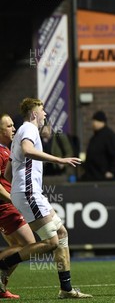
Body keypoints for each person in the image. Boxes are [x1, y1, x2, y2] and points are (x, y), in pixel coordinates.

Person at [0, 98, 91, 298]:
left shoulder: (20, 133)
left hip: (28, 192)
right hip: (29, 192)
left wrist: (21, 181)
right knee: (51, 242)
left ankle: (66, 289)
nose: (45, 116)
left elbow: (8, 173)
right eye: (43, 112)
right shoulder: (29, 129)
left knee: (62, 234)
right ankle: (3, 264)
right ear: (34, 114)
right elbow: (27, 150)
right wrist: (60, 159)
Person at [0, 114, 37, 299]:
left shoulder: (6, 150)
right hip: (6, 207)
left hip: (6, 206)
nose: (13, 128)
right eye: (9, 126)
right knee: (29, 245)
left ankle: (0, 286)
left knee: (16, 246)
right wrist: (12, 199)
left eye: (13, 125)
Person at [83, 110, 115, 180]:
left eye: (95, 121)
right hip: (93, 175)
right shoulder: (95, 137)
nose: (93, 124)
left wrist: (111, 171)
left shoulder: (109, 136)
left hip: (104, 176)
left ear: (101, 122)